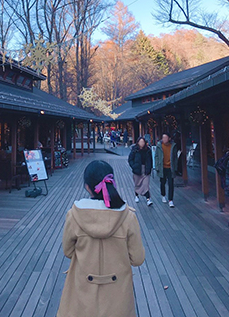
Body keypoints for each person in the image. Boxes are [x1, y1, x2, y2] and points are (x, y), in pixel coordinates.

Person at [57, 160, 145, 317]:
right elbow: (137, 259)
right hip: (118, 297)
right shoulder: (128, 217)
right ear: (112, 183)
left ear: (87, 186)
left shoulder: (74, 215)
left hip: (83, 292)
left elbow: (68, 251)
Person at [155, 132, 178, 208]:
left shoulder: (173, 146)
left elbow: (175, 157)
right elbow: (156, 156)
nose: (164, 139)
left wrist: (175, 167)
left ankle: (171, 200)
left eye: (165, 137)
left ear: (169, 138)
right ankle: (163, 195)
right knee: (162, 182)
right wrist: (157, 166)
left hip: (170, 167)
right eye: (163, 137)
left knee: (171, 184)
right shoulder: (159, 145)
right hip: (162, 167)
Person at [128, 137, 153, 206]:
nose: (142, 143)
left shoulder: (148, 150)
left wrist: (150, 167)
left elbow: (150, 160)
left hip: (146, 169)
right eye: (140, 142)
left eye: (143, 142)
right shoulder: (134, 150)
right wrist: (133, 166)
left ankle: (148, 199)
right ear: (138, 142)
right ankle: (136, 195)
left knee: (146, 184)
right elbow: (130, 159)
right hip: (137, 168)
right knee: (137, 184)